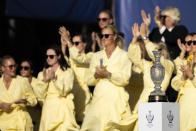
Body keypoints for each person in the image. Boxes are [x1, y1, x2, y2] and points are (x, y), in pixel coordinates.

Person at [80, 25, 132, 131]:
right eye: (101, 35)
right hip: (99, 99)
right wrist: (97, 75)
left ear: (115, 36)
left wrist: (108, 74)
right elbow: (88, 79)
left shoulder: (124, 55)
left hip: (115, 100)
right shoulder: (96, 55)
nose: (103, 38)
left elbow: (125, 79)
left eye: (106, 35)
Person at [128, 23, 174, 131]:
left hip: (158, 103)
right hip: (143, 102)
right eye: (158, 49)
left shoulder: (169, 66)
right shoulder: (148, 65)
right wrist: (135, 39)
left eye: (162, 50)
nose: (160, 52)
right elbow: (133, 57)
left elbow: (158, 57)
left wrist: (145, 38)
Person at [37, 45, 79, 131]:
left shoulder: (68, 72)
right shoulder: (42, 74)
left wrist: (54, 79)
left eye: (51, 56)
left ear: (59, 56)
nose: (48, 58)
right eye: (47, 56)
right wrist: (45, 81)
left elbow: (65, 91)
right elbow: (40, 95)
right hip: (49, 110)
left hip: (63, 109)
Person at [59, 27, 93, 124]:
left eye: (77, 43)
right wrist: (63, 44)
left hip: (84, 98)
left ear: (84, 44)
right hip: (71, 96)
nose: (74, 46)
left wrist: (69, 42)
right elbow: (62, 64)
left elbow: (79, 59)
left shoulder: (90, 56)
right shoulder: (72, 58)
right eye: (73, 43)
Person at [0, 55, 37, 131]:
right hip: (5, 124)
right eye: (10, 66)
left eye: (15, 66)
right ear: (2, 68)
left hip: (22, 123)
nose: (14, 69)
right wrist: (0, 105)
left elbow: (34, 100)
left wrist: (25, 101)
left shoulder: (22, 81)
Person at [171, 33, 196, 131]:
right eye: (190, 42)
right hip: (183, 106)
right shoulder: (186, 62)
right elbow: (175, 85)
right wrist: (184, 77)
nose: (191, 45)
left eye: (194, 42)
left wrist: (191, 76)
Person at [19, 59, 42, 131]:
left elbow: (41, 101)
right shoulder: (17, 82)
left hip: (36, 118)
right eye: (21, 68)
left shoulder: (37, 82)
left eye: (26, 68)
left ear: (31, 70)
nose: (23, 70)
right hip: (22, 119)